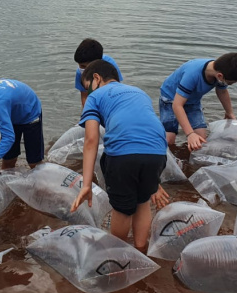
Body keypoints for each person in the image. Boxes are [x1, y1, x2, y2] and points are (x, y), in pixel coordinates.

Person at [71, 60, 168, 252]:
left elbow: (91, 140)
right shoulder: (138, 92)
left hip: (123, 155)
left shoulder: (95, 96)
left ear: (96, 78)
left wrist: (87, 184)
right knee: (142, 202)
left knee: (123, 210)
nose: (88, 92)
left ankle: (118, 254)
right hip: (157, 152)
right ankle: (140, 249)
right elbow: (142, 125)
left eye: (87, 87)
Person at [159, 53, 237, 150]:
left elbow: (222, 91)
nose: (230, 84)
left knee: (201, 140)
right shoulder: (192, 74)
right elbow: (177, 105)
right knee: (169, 141)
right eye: (231, 83)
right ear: (220, 76)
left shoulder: (220, 71)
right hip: (170, 99)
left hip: (193, 101)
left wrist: (229, 112)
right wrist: (190, 134)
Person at [74, 38, 123, 109]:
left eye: (84, 66)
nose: (81, 69)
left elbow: (116, 88)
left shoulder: (110, 65)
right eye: (79, 65)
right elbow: (84, 96)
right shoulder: (80, 72)